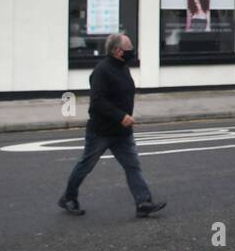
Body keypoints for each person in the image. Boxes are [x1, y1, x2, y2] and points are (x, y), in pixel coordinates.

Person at [58, 32, 167, 218]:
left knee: (132, 165)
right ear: (117, 51)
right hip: (101, 131)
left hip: (122, 132)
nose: (132, 51)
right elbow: (97, 102)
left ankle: (143, 202)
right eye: (129, 48)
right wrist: (121, 116)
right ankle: (68, 197)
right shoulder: (102, 71)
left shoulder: (122, 67)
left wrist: (124, 119)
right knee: (86, 165)